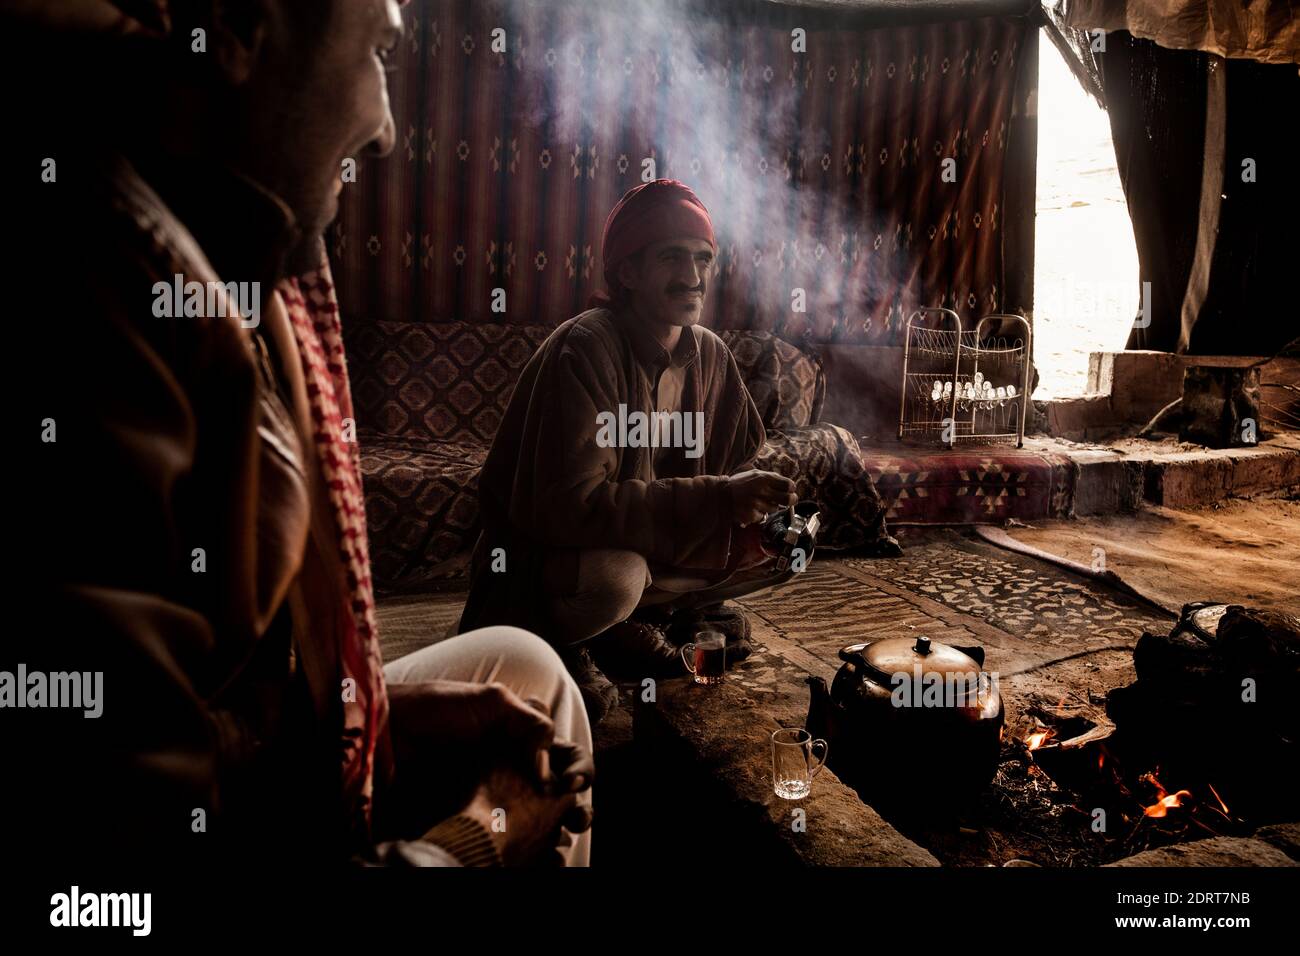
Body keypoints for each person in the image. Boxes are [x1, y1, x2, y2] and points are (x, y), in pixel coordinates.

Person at [7, 0, 591, 867]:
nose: (387, 130)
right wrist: (477, 840)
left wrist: (373, 718)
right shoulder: (102, 270)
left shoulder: (208, 227)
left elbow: (206, 703)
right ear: (237, 27)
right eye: (379, 52)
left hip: (238, 752)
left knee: (526, 671)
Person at [457, 180, 800, 721]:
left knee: (786, 548)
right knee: (616, 579)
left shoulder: (709, 353)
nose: (693, 278)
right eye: (671, 258)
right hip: (545, 556)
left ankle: (656, 621)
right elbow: (568, 509)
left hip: (650, 546)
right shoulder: (588, 347)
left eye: (702, 259)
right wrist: (715, 500)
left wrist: (758, 506)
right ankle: (557, 643)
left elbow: (734, 466)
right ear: (627, 273)